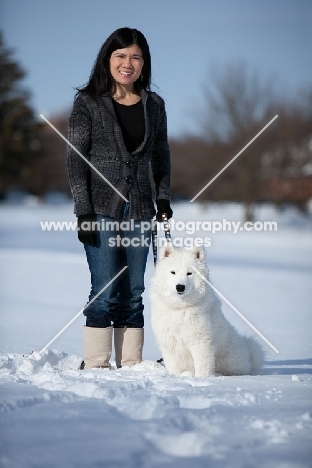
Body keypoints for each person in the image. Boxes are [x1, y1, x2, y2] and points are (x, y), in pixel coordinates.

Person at [66, 27, 172, 370]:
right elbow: (75, 160)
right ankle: (96, 364)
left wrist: (164, 199)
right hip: (100, 209)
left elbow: (162, 156)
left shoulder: (155, 105)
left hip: (141, 208)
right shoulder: (88, 103)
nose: (128, 63)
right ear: (108, 59)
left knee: (135, 291)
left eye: (136, 57)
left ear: (144, 64)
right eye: (121, 55)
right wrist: (83, 211)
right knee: (105, 289)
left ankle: (131, 364)